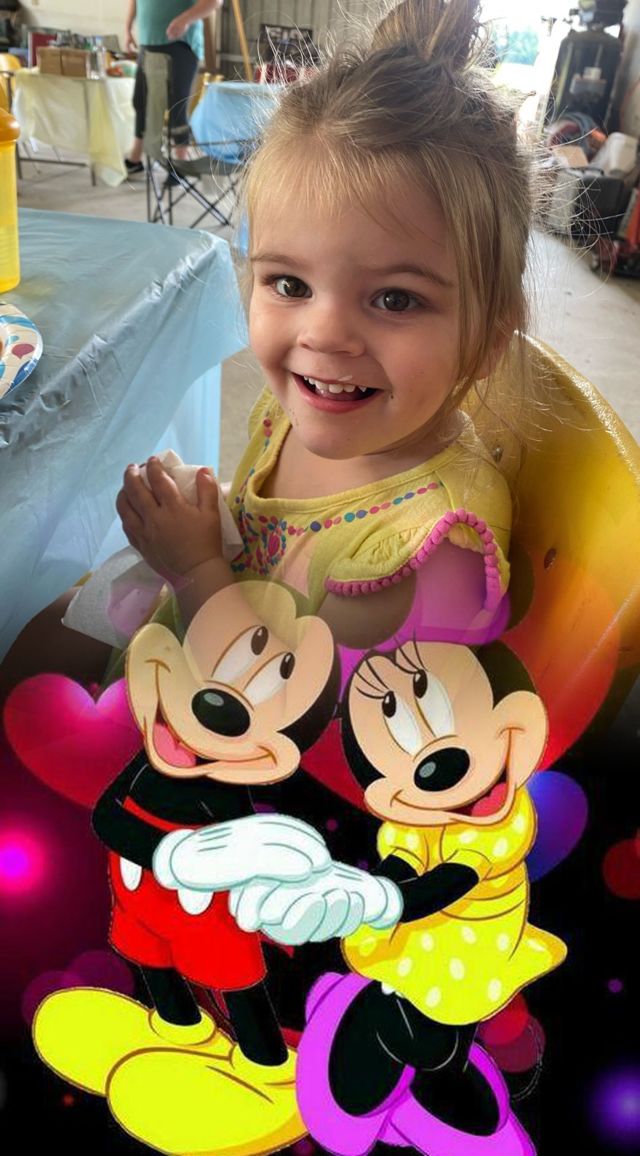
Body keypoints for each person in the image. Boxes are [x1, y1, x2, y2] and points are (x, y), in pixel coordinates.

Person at [1, 0, 535, 1063]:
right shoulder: (324, 409)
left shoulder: (433, 542)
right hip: (193, 681)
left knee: (32, 727)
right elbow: (271, 544)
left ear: (487, 336)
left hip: (261, 824)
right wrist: (216, 531)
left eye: (394, 299)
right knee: (33, 638)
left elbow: (319, 741)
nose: (323, 333)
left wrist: (200, 565)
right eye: (288, 283)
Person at [123, 0, 223, 172]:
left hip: (180, 45)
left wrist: (185, 19)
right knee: (141, 103)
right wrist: (127, 29)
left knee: (177, 107)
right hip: (148, 43)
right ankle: (136, 158)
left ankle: (180, 167)